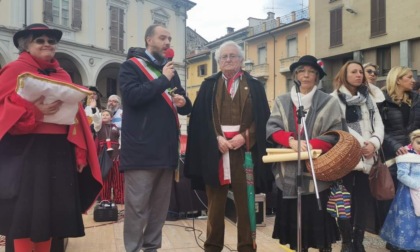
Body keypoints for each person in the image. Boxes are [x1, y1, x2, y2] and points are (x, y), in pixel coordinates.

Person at [0, 23, 102, 252]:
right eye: (40, 40)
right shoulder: (14, 70)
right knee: (25, 218)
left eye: (51, 41)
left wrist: (80, 151)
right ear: (26, 46)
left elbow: (76, 119)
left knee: (51, 217)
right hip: (25, 152)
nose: (47, 44)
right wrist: (33, 112)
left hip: (59, 152)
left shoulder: (63, 74)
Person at [184, 40, 271, 252]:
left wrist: (245, 136)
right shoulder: (208, 85)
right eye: (224, 57)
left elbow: (263, 119)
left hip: (245, 150)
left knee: (246, 202)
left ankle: (246, 247)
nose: (228, 60)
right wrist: (216, 139)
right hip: (217, 150)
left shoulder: (256, 86)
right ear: (218, 62)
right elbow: (200, 119)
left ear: (241, 60)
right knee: (215, 204)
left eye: (233, 56)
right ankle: (212, 246)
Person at [118, 24, 192, 252]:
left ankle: (152, 248)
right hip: (141, 151)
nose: (168, 42)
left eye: (170, 38)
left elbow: (183, 104)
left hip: (166, 150)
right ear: (148, 39)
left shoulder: (170, 70)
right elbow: (132, 97)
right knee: (138, 209)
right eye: (163, 38)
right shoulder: (131, 67)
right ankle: (133, 249)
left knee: (159, 210)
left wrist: (183, 102)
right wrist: (163, 80)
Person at [266, 55, 343, 252]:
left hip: (318, 172)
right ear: (295, 75)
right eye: (301, 71)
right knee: (296, 230)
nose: (306, 75)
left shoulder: (329, 102)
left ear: (317, 77)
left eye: (311, 72)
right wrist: (291, 141)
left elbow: (336, 133)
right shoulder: (282, 101)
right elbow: (272, 127)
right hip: (288, 169)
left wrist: (311, 144)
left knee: (319, 224)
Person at [331, 60, 384, 252]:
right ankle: (346, 241)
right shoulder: (334, 98)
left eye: (360, 72)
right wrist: (364, 144)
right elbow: (338, 126)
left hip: (368, 156)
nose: (359, 75)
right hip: (346, 156)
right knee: (343, 200)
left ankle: (358, 241)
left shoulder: (368, 98)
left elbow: (378, 123)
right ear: (344, 75)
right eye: (354, 72)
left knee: (363, 201)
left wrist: (374, 143)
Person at [377, 66, 420, 252]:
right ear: (398, 79)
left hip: (415, 155)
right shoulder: (382, 101)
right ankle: (393, 239)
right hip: (393, 157)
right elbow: (380, 130)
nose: (413, 80)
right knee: (393, 199)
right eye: (409, 77)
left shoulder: (417, 100)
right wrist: (396, 147)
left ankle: (410, 240)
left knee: (413, 200)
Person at [380, 129, 420, 251]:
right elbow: (402, 175)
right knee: (406, 220)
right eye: (418, 142)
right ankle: (402, 244)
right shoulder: (406, 156)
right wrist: (417, 185)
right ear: (412, 141)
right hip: (407, 196)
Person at [94, 109, 123, 204]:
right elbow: (96, 119)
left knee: (118, 177)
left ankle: (119, 198)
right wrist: (94, 109)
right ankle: (105, 198)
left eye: (107, 115)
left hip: (116, 154)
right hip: (104, 154)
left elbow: (120, 140)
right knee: (105, 176)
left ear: (111, 117)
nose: (105, 116)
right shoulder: (99, 126)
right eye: (103, 115)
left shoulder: (116, 127)